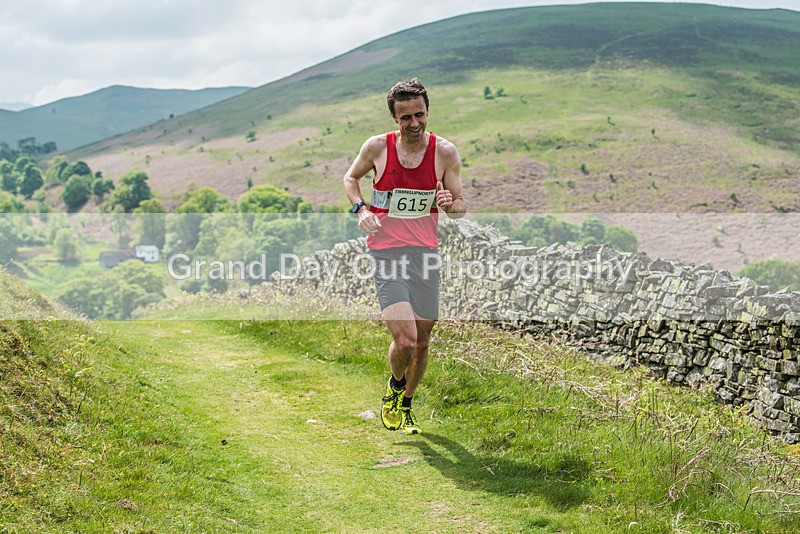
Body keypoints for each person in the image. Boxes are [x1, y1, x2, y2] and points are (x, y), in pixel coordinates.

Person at [342, 78, 467, 435]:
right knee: (407, 339)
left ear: (428, 111)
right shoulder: (377, 147)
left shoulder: (445, 152)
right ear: (395, 118)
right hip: (387, 253)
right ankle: (394, 389)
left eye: (420, 115)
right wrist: (361, 210)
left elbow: (459, 205)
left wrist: (449, 204)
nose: (414, 123)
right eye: (406, 117)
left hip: (425, 254)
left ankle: (406, 404)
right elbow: (350, 180)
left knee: (424, 339)